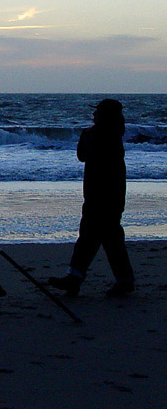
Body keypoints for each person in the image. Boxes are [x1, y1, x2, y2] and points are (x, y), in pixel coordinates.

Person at [49, 99, 135, 297]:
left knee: (97, 237)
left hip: (99, 196)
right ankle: (80, 278)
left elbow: (82, 155)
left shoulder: (96, 135)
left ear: (103, 115)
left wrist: (86, 135)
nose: (93, 115)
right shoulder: (115, 134)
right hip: (112, 195)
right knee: (103, 237)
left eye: (97, 112)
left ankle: (80, 278)